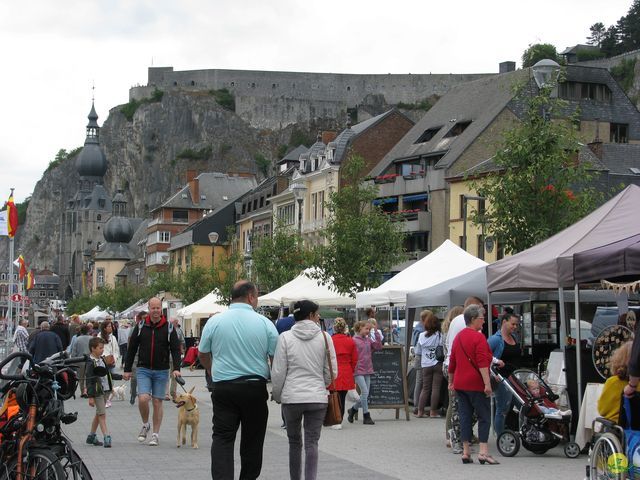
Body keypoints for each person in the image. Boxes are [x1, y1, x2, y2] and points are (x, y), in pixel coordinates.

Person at [197, 281, 279, 480]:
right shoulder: (265, 323)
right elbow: (276, 357)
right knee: (253, 441)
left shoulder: (215, 322)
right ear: (250, 296)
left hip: (224, 387)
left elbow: (202, 353)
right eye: (257, 296)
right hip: (254, 387)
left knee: (222, 439)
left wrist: (212, 370)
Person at [271, 300, 337, 480]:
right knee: (312, 443)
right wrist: (320, 385)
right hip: (317, 397)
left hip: (292, 398)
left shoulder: (285, 337)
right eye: (317, 314)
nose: (318, 317)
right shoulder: (325, 337)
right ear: (310, 315)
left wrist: (277, 395)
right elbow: (332, 371)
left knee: (294, 442)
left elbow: (278, 372)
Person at [123, 298, 182, 447]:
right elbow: (132, 348)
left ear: (160, 309)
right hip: (143, 369)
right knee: (143, 399)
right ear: (149, 309)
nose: (155, 311)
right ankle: (145, 424)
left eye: (158, 308)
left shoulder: (168, 327)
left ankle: (155, 434)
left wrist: (176, 368)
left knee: (157, 402)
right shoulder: (141, 325)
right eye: (153, 308)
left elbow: (175, 349)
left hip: (161, 370)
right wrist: (127, 369)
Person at [448, 304, 499, 465]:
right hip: (476, 384)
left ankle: (466, 451)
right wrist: (487, 384)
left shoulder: (459, 337)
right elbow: (483, 363)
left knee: (465, 416)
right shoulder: (478, 337)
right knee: (484, 416)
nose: (483, 321)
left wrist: (451, 381)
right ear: (473, 319)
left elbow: (452, 362)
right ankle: (483, 452)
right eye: (481, 318)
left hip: (460, 383)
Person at [444, 298, 487, 455]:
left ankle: (461, 440)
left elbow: (451, 348)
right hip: (462, 370)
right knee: (461, 409)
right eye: (481, 310)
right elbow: (477, 352)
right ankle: (458, 439)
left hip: (452, 366)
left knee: (458, 407)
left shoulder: (456, 320)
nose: (484, 316)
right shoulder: (469, 328)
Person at [488, 312, 522, 436]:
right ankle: (500, 436)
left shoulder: (514, 338)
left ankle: (521, 433)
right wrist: (492, 374)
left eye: (516, 325)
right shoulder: (495, 339)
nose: (515, 327)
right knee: (502, 408)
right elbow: (484, 356)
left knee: (521, 405)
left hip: (515, 378)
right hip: (501, 378)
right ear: (504, 322)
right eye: (512, 324)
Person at [347, 319, 383, 425]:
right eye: (366, 328)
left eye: (369, 329)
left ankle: (353, 409)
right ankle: (366, 415)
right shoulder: (354, 340)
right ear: (359, 328)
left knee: (365, 395)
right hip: (358, 370)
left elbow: (378, 347)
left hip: (368, 369)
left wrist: (376, 332)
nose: (368, 331)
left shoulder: (368, 340)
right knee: (365, 392)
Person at [329, 317, 358, 429]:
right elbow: (355, 359)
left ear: (334, 328)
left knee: (333, 396)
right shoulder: (350, 341)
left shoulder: (330, 340)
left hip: (334, 370)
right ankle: (340, 418)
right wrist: (352, 370)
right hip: (346, 370)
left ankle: (334, 418)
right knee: (342, 397)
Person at [415, 311, 444, 418]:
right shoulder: (440, 335)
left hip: (425, 364)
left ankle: (420, 411)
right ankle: (433, 412)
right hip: (437, 363)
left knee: (425, 388)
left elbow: (418, 351)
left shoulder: (421, 336)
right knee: (435, 388)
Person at [442, 305, 463, 449]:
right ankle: (450, 434)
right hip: (451, 366)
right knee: (453, 402)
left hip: (446, 365)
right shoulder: (454, 330)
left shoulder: (447, 329)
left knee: (453, 402)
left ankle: (452, 432)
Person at [85, 337, 113, 448]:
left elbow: (107, 374)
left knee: (98, 413)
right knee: (102, 414)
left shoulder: (102, 359)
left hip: (105, 389)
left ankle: (91, 436)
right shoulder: (90, 363)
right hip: (97, 392)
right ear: (93, 349)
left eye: (103, 348)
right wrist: (90, 396)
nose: (102, 350)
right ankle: (106, 437)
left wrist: (121, 376)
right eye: (100, 348)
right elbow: (89, 380)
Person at [71, 324, 93, 397]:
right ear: (88, 330)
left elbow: (74, 352)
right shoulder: (91, 338)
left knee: (81, 377)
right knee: (88, 376)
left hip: (80, 361)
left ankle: (83, 391)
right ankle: (88, 390)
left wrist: (73, 360)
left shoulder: (77, 339)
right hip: (90, 360)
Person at [166, 318, 186, 400]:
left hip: (175, 357)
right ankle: (166, 394)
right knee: (166, 375)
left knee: (175, 375)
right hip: (166, 356)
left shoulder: (179, 331)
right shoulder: (164, 330)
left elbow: (181, 342)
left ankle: (173, 393)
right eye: (175, 323)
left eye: (176, 323)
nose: (176, 324)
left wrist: (181, 351)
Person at [411, 312, 426, 415]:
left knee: (419, 382)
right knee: (420, 382)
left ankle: (417, 405)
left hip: (419, 356)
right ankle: (417, 406)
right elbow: (417, 344)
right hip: (420, 357)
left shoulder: (417, 328)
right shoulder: (421, 330)